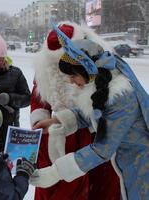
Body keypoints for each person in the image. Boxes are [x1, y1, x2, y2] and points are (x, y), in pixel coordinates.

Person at [30, 23, 149, 200]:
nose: (70, 82)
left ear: (87, 70)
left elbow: (101, 150)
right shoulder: (102, 79)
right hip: (126, 162)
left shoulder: (120, 95)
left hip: (139, 168)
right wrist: (59, 121)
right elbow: (92, 114)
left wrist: (55, 173)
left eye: (73, 76)